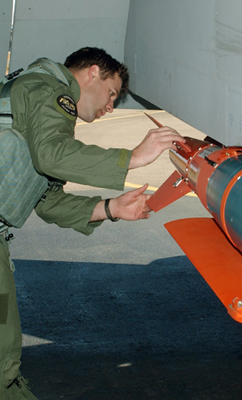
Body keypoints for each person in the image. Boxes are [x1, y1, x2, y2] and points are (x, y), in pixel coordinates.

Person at [0, 47, 186, 399]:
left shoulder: (39, 103)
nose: (110, 107)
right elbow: (52, 155)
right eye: (112, 93)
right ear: (93, 73)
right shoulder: (45, 89)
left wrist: (112, 207)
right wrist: (132, 157)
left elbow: (47, 200)